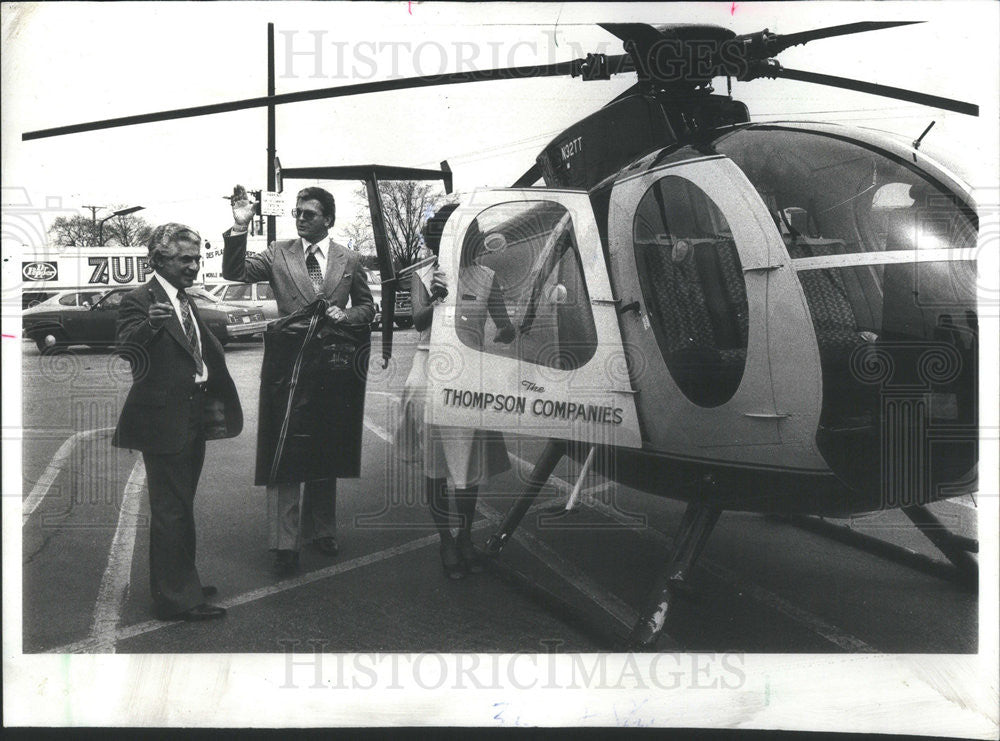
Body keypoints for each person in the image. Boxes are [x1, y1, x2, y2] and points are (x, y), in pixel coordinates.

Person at [223, 185, 374, 575]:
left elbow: (366, 307)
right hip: (287, 364)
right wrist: (240, 227)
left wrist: (349, 316)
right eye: (297, 212)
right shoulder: (278, 252)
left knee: (326, 445)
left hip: (332, 365)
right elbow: (235, 272)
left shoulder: (349, 259)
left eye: (309, 213)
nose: (300, 218)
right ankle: (284, 544)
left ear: (329, 218)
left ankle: (321, 529)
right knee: (285, 448)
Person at [113, 223, 243, 621]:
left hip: (194, 413)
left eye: (197, 258)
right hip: (163, 419)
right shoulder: (139, 300)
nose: (194, 266)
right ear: (158, 260)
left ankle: (181, 579)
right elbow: (127, 352)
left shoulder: (184, 298)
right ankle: (176, 598)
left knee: (181, 505)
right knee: (170, 509)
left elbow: (200, 348)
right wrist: (150, 324)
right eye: (185, 259)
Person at [398, 204, 513, 579]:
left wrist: (518, 326)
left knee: (469, 467)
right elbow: (416, 322)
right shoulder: (422, 274)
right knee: (436, 466)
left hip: (470, 375)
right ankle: (446, 539)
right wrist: (434, 297)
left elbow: (504, 326)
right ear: (437, 237)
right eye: (447, 232)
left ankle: (465, 535)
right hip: (429, 371)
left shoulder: (487, 276)